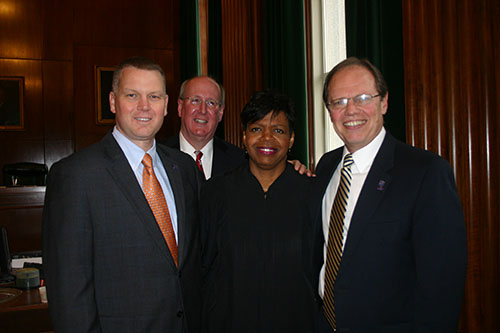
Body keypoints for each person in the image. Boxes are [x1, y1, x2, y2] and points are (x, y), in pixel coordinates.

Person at [43, 56, 203, 332]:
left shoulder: (185, 168)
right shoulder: (75, 176)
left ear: (166, 105)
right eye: (132, 95)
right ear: (113, 102)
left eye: (153, 96)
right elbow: (69, 292)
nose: (144, 106)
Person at [312, 57, 467, 332]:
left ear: (384, 102)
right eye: (339, 102)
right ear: (329, 111)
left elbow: (442, 287)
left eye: (362, 97)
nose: (351, 111)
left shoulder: (426, 173)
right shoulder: (325, 167)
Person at [201, 91, 316, 333]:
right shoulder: (215, 193)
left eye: (278, 130)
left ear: (292, 139)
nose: (267, 138)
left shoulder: (313, 194)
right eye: (256, 129)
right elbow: (202, 270)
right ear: (243, 136)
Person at [163, 76, 246, 179]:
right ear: (180, 107)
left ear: (220, 113)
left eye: (211, 103)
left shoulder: (240, 162)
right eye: (195, 100)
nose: (203, 110)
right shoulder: (158, 157)